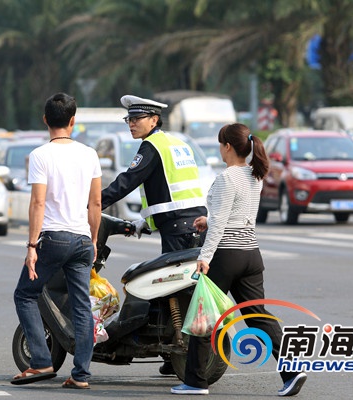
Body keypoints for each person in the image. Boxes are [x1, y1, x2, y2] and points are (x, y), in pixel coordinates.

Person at [170, 123, 307, 396]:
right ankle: (292, 371)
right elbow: (236, 214)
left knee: (204, 315)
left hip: (226, 255)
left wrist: (204, 257)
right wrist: (208, 220)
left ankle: (195, 382)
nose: (220, 150)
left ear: (228, 146)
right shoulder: (253, 175)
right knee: (258, 315)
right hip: (250, 255)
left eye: (221, 144)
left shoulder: (226, 177)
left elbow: (221, 223)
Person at [101, 94, 208, 375]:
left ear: (154, 120)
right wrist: (145, 223)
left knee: (166, 288)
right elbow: (172, 191)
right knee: (181, 291)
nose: (131, 124)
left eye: (136, 119)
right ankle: (172, 357)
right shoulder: (177, 143)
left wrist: (93, 203)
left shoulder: (151, 147)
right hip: (192, 224)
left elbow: (127, 181)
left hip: (177, 229)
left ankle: (173, 354)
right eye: (129, 119)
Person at [12, 93, 102, 390]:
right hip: (81, 240)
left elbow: (38, 203)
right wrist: (94, 239)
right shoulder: (89, 153)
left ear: (45, 120)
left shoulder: (41, 155)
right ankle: (81, 375)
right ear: (73, 121)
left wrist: (31, 246)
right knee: (81, 307)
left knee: (25, 294)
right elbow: (96, 204)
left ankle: (40, 360)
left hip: (53, 238)